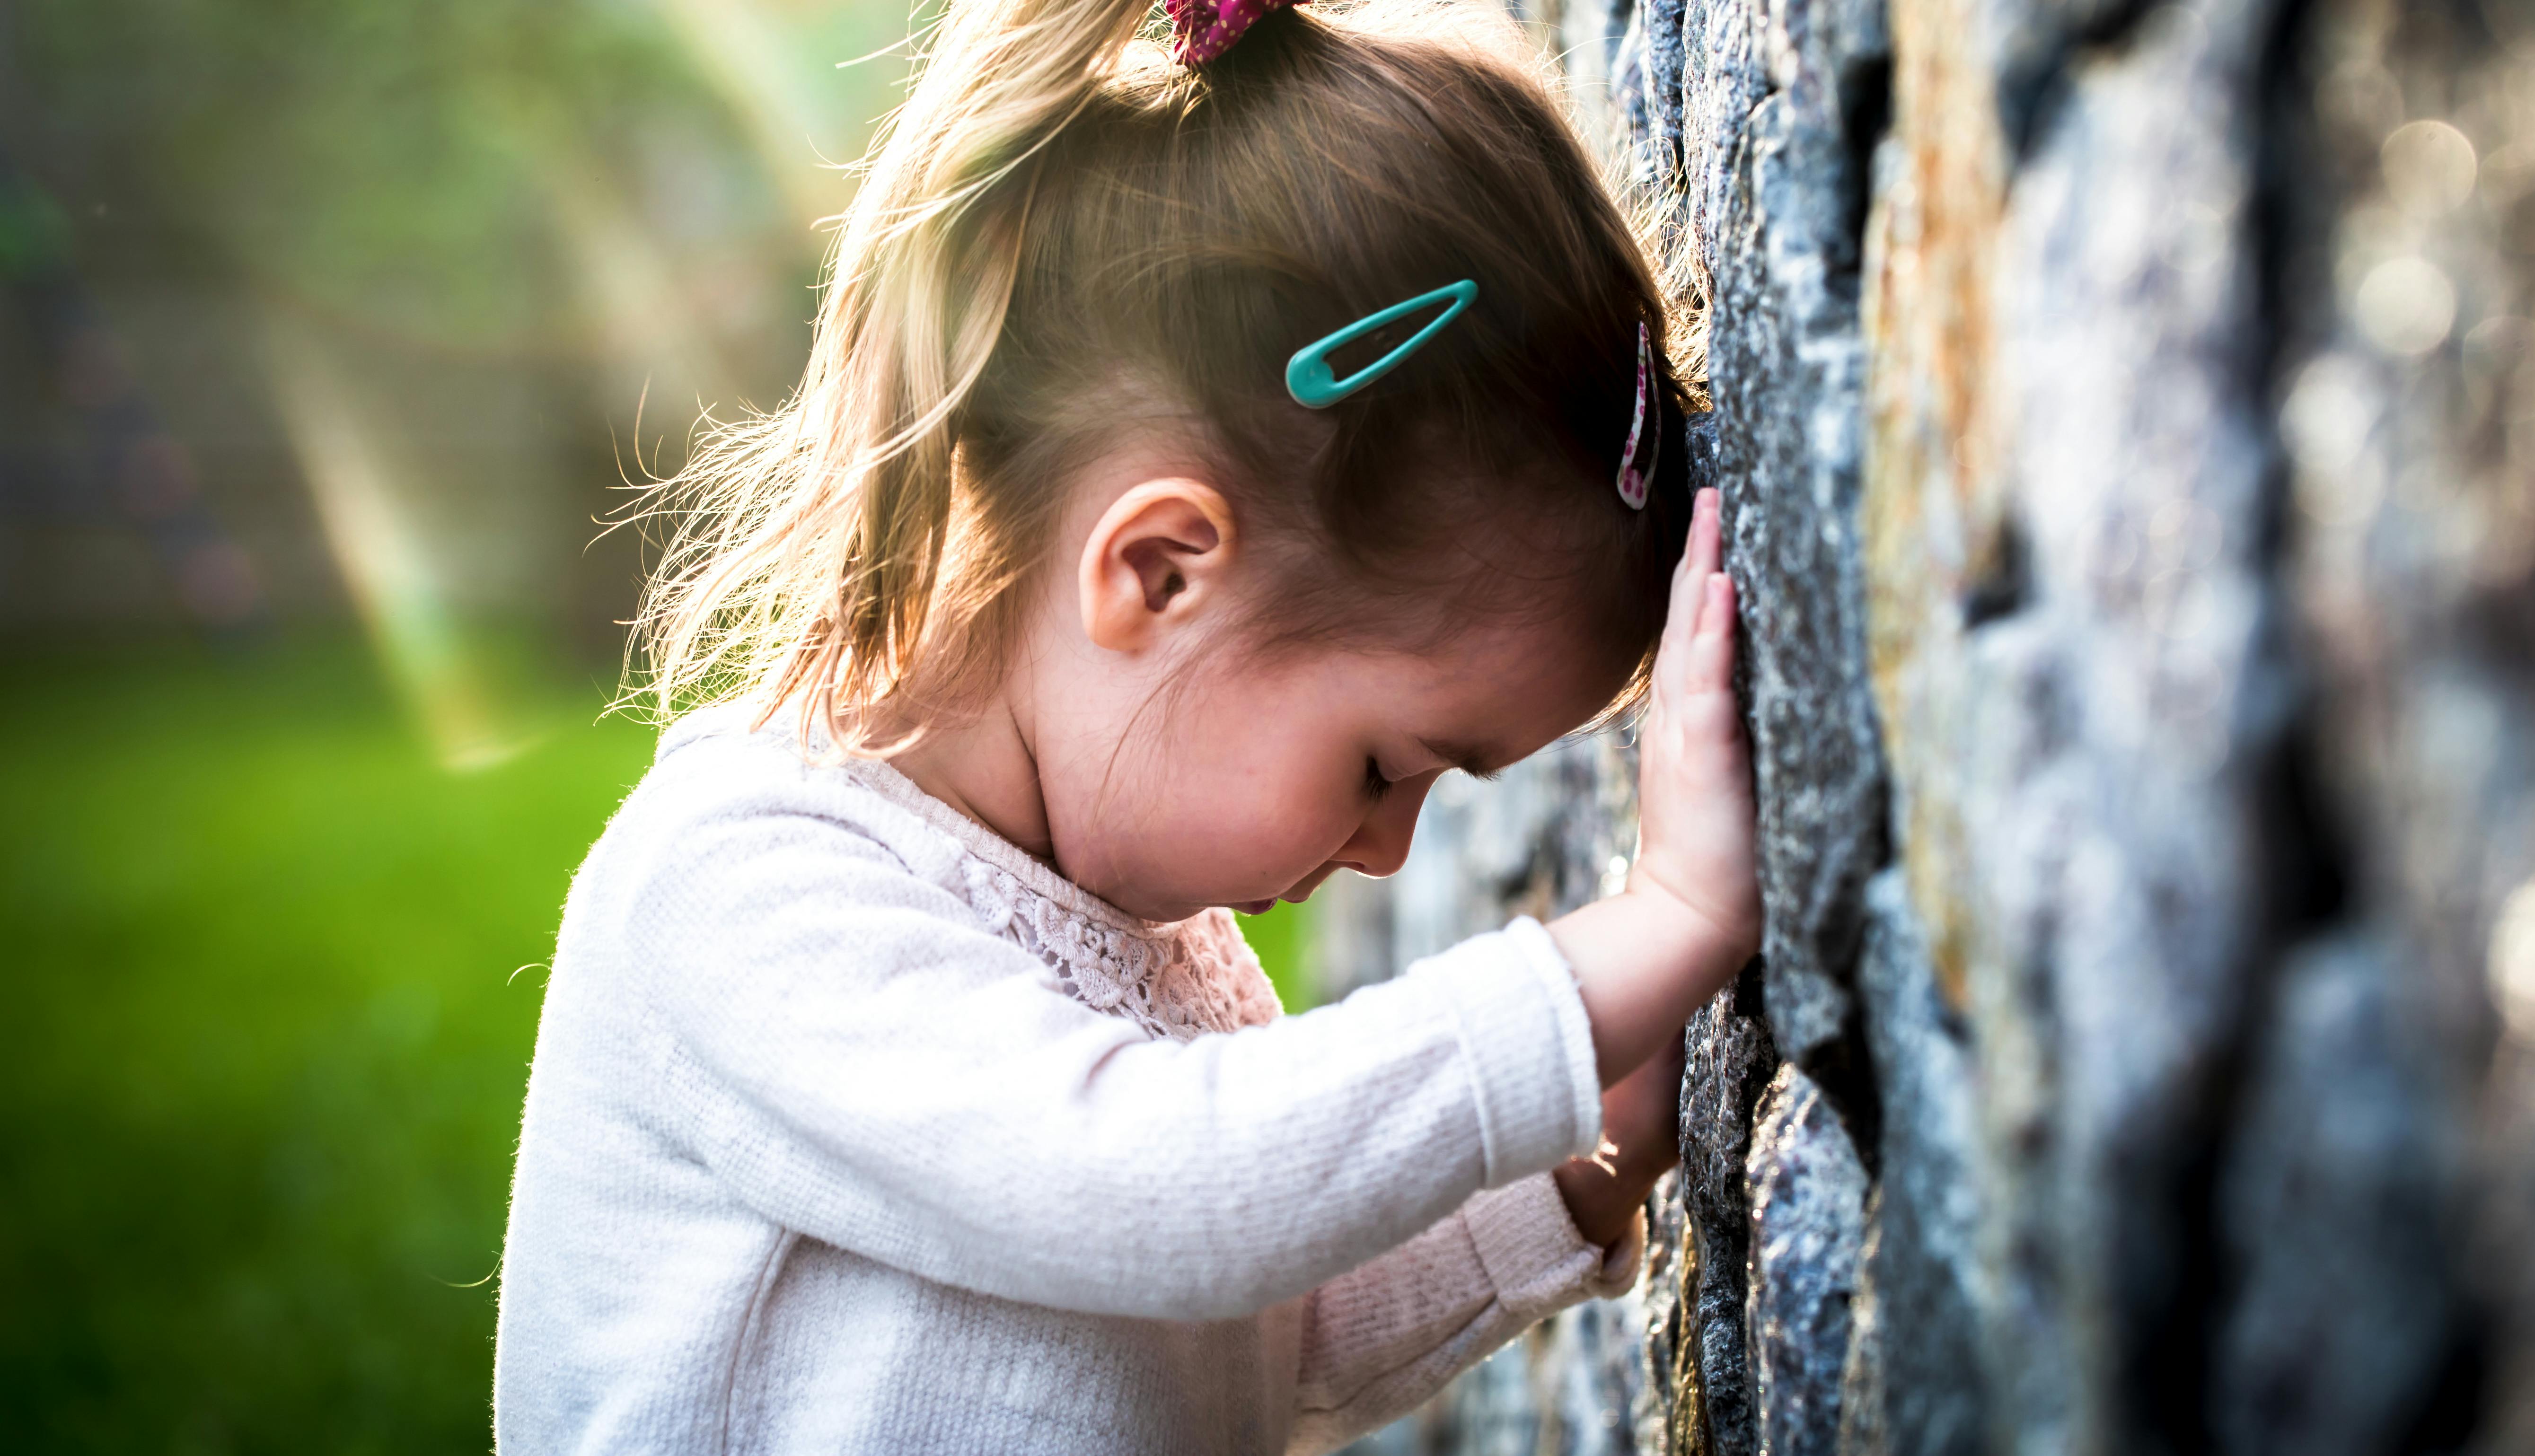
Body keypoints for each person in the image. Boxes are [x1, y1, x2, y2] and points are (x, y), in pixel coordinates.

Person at [493, 0, 1759, 1447]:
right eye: (1382, 768)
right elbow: (1172, 1203)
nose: (1391, 853)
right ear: (1158, 572)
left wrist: (1589, 1170)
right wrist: (1656, 922)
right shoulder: (743, 888)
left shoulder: (1125, 926)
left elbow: (1254, 1335)